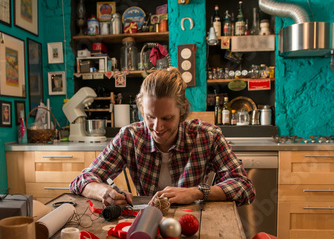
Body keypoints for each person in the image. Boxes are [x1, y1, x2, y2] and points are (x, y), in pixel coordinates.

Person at [69, 68, 255, 208]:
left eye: (167, 118)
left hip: (193, 225)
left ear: (182, 111)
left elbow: (244, 186)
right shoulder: (129, 137)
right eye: (150, 117)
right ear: (142, 109)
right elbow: (81, 180)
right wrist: (103, 191)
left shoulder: (207, 136)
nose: (157, 128)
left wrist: (196, 192)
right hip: (148, 223)